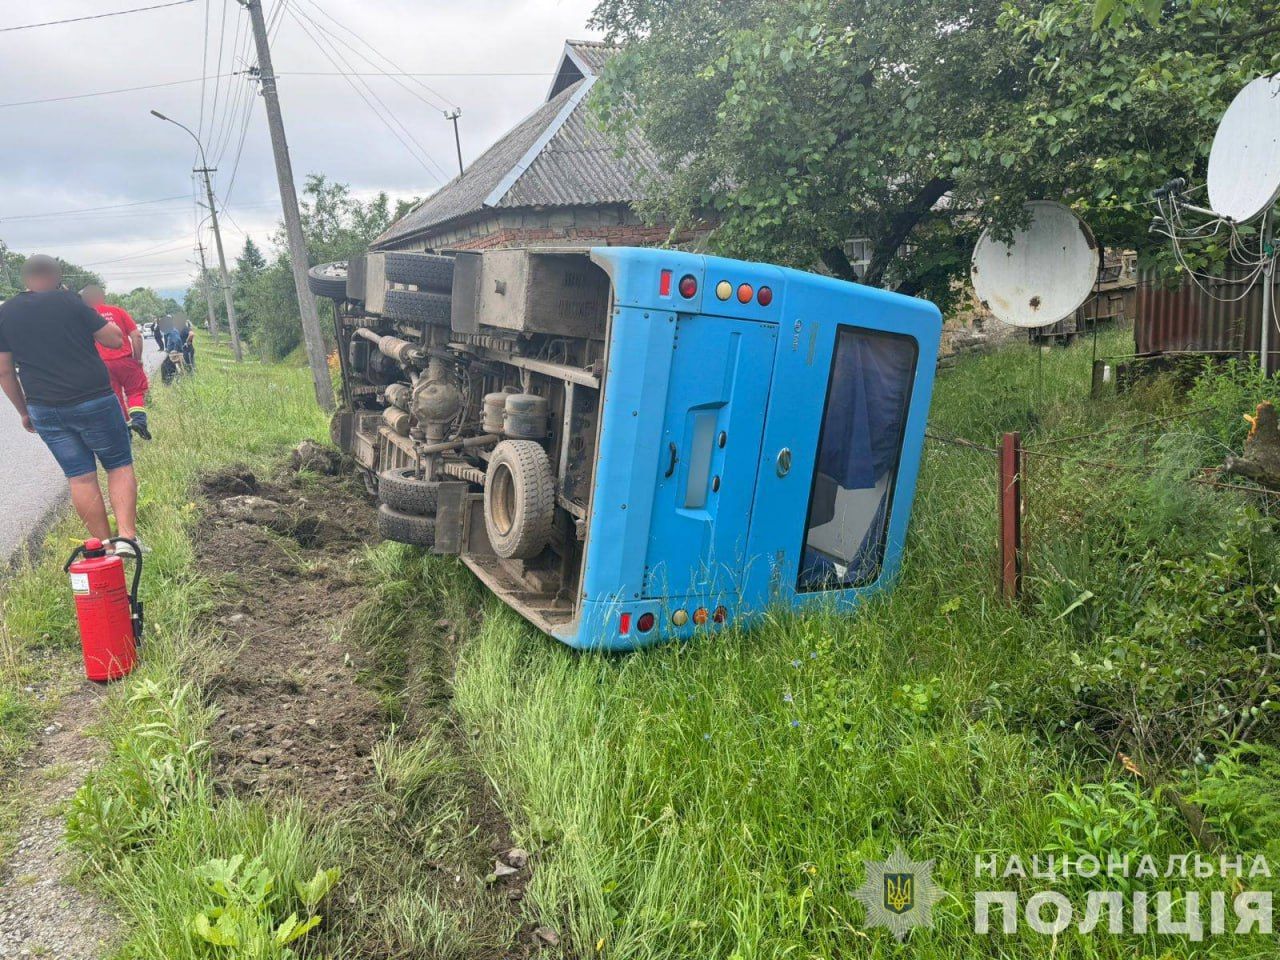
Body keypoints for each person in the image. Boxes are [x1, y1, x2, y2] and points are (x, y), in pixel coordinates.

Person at [0, 255, 142, 553]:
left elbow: (3, 370)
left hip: (45, 407)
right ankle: (127, 539)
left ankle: (103, 547)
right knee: (118, 465)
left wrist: (24, 411)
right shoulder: (69, 302)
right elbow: (115, 339)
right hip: (94, 399)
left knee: (80, 477)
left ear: (25, 278)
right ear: (57, 276)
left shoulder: (6, 313)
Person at [80, 284, 151, 440]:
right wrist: (137, 359)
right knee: (135, 392)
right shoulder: (117, 311)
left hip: (102, 366)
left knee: (115, 398)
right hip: (125, 360)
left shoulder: (84, 317)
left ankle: (125, 432)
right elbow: (136, 336)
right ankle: (139, 420)